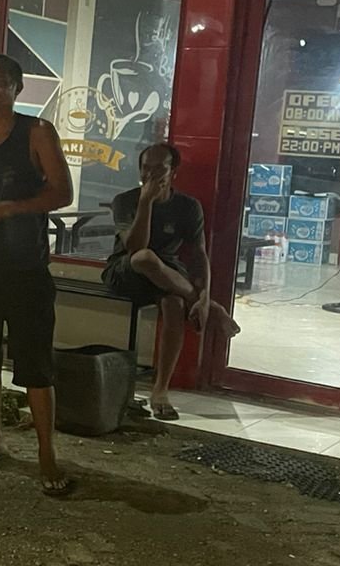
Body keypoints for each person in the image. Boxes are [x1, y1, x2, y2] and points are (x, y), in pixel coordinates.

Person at [0, 53, 75, 497]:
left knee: (36, 364)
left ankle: (46, 453)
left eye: (0, 82)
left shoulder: (37, 132)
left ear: (17, 88)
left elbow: (62, 192)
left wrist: (6, 209)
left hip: (26, 268)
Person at [102, 142, 239, 420]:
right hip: (126, 269)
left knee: (174, 305)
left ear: (173, 172)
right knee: (145, 258)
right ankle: (213, 309)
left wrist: (204, 294)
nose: (151, 174)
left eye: (159, 169)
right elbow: (135, 248)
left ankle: (160, 390)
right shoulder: (125, 201)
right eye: (146, 168)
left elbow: (199, 254)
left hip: (169, 274)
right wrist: (145, 203)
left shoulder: (188, 206)